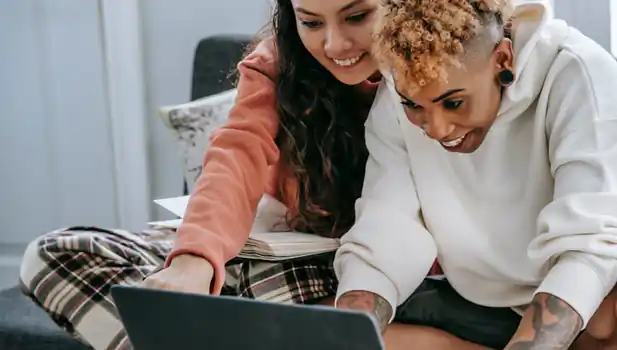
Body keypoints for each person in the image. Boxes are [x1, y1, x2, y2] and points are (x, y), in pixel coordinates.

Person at [18, 1, 475, 349]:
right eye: (311, 22)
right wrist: (191, 265)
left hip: (359, 268)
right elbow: (236, 155)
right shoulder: (277, 63)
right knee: (55, 255)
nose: (334, 45)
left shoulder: (446, 72)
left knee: (264, 291)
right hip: (273, 240)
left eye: (356, 16)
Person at [330, 0, 617, 349]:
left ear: (503, 59)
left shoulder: (578, 71)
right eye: (414, 106)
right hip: (496, 302)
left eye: (453, 103)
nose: (435, 129)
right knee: (321, 325)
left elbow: (593, 246)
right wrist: (343, 334)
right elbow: (387, 231)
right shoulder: (398, 94)